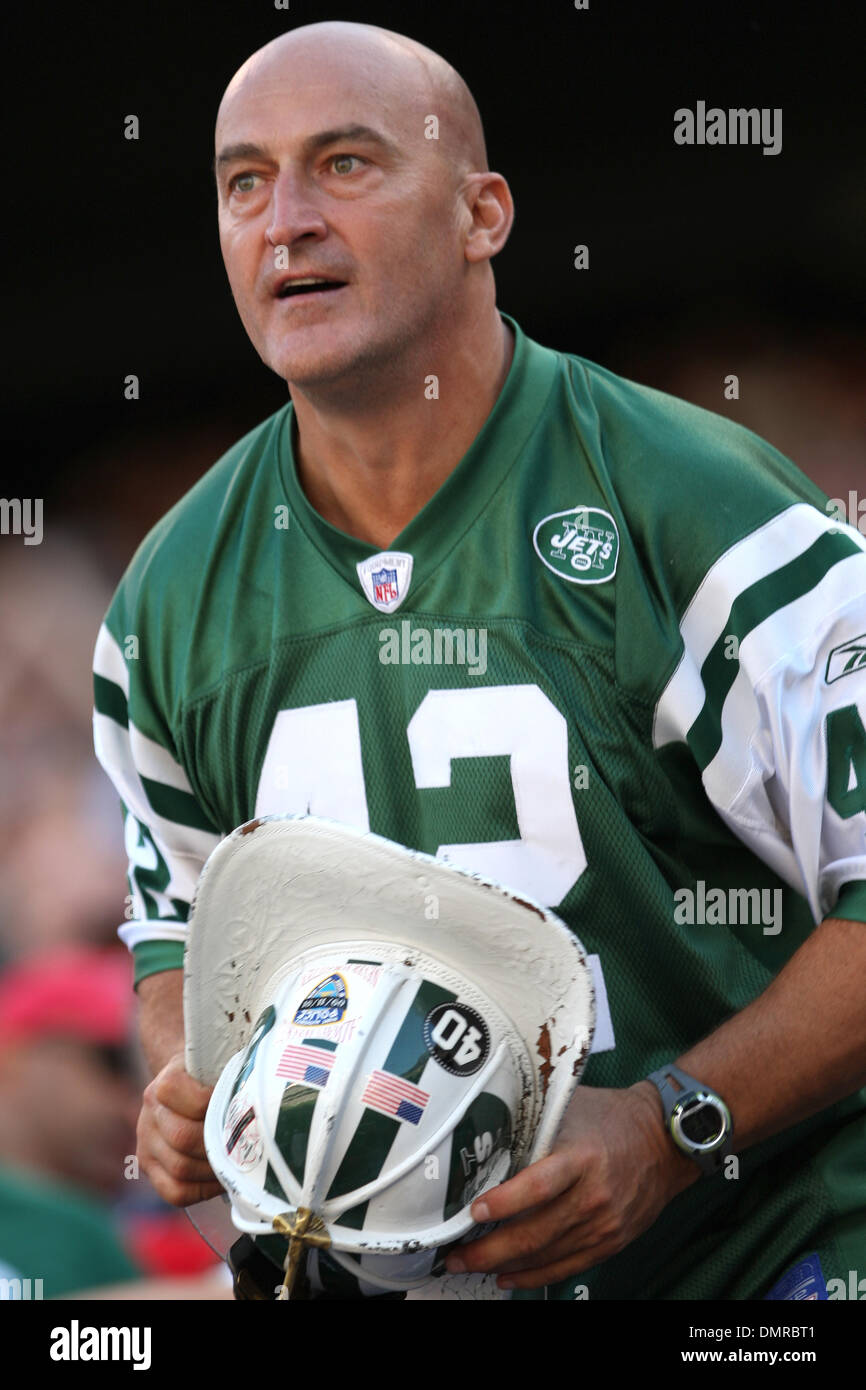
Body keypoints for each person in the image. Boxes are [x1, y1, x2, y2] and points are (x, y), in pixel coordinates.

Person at [92, 20, 866, 1300]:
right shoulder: (167, 600)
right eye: (245, 182)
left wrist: (678, 1125)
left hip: (752, 1256)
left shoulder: (697, 510)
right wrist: (193, 1076)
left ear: (482, 214)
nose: (283, 220)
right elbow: (179, 928)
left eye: (343, 164)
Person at [0, 949, 143, 1297]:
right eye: (113, 1064)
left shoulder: (118, 1236)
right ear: (16, 1057)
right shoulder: (73, 1232)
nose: (136, 1107)